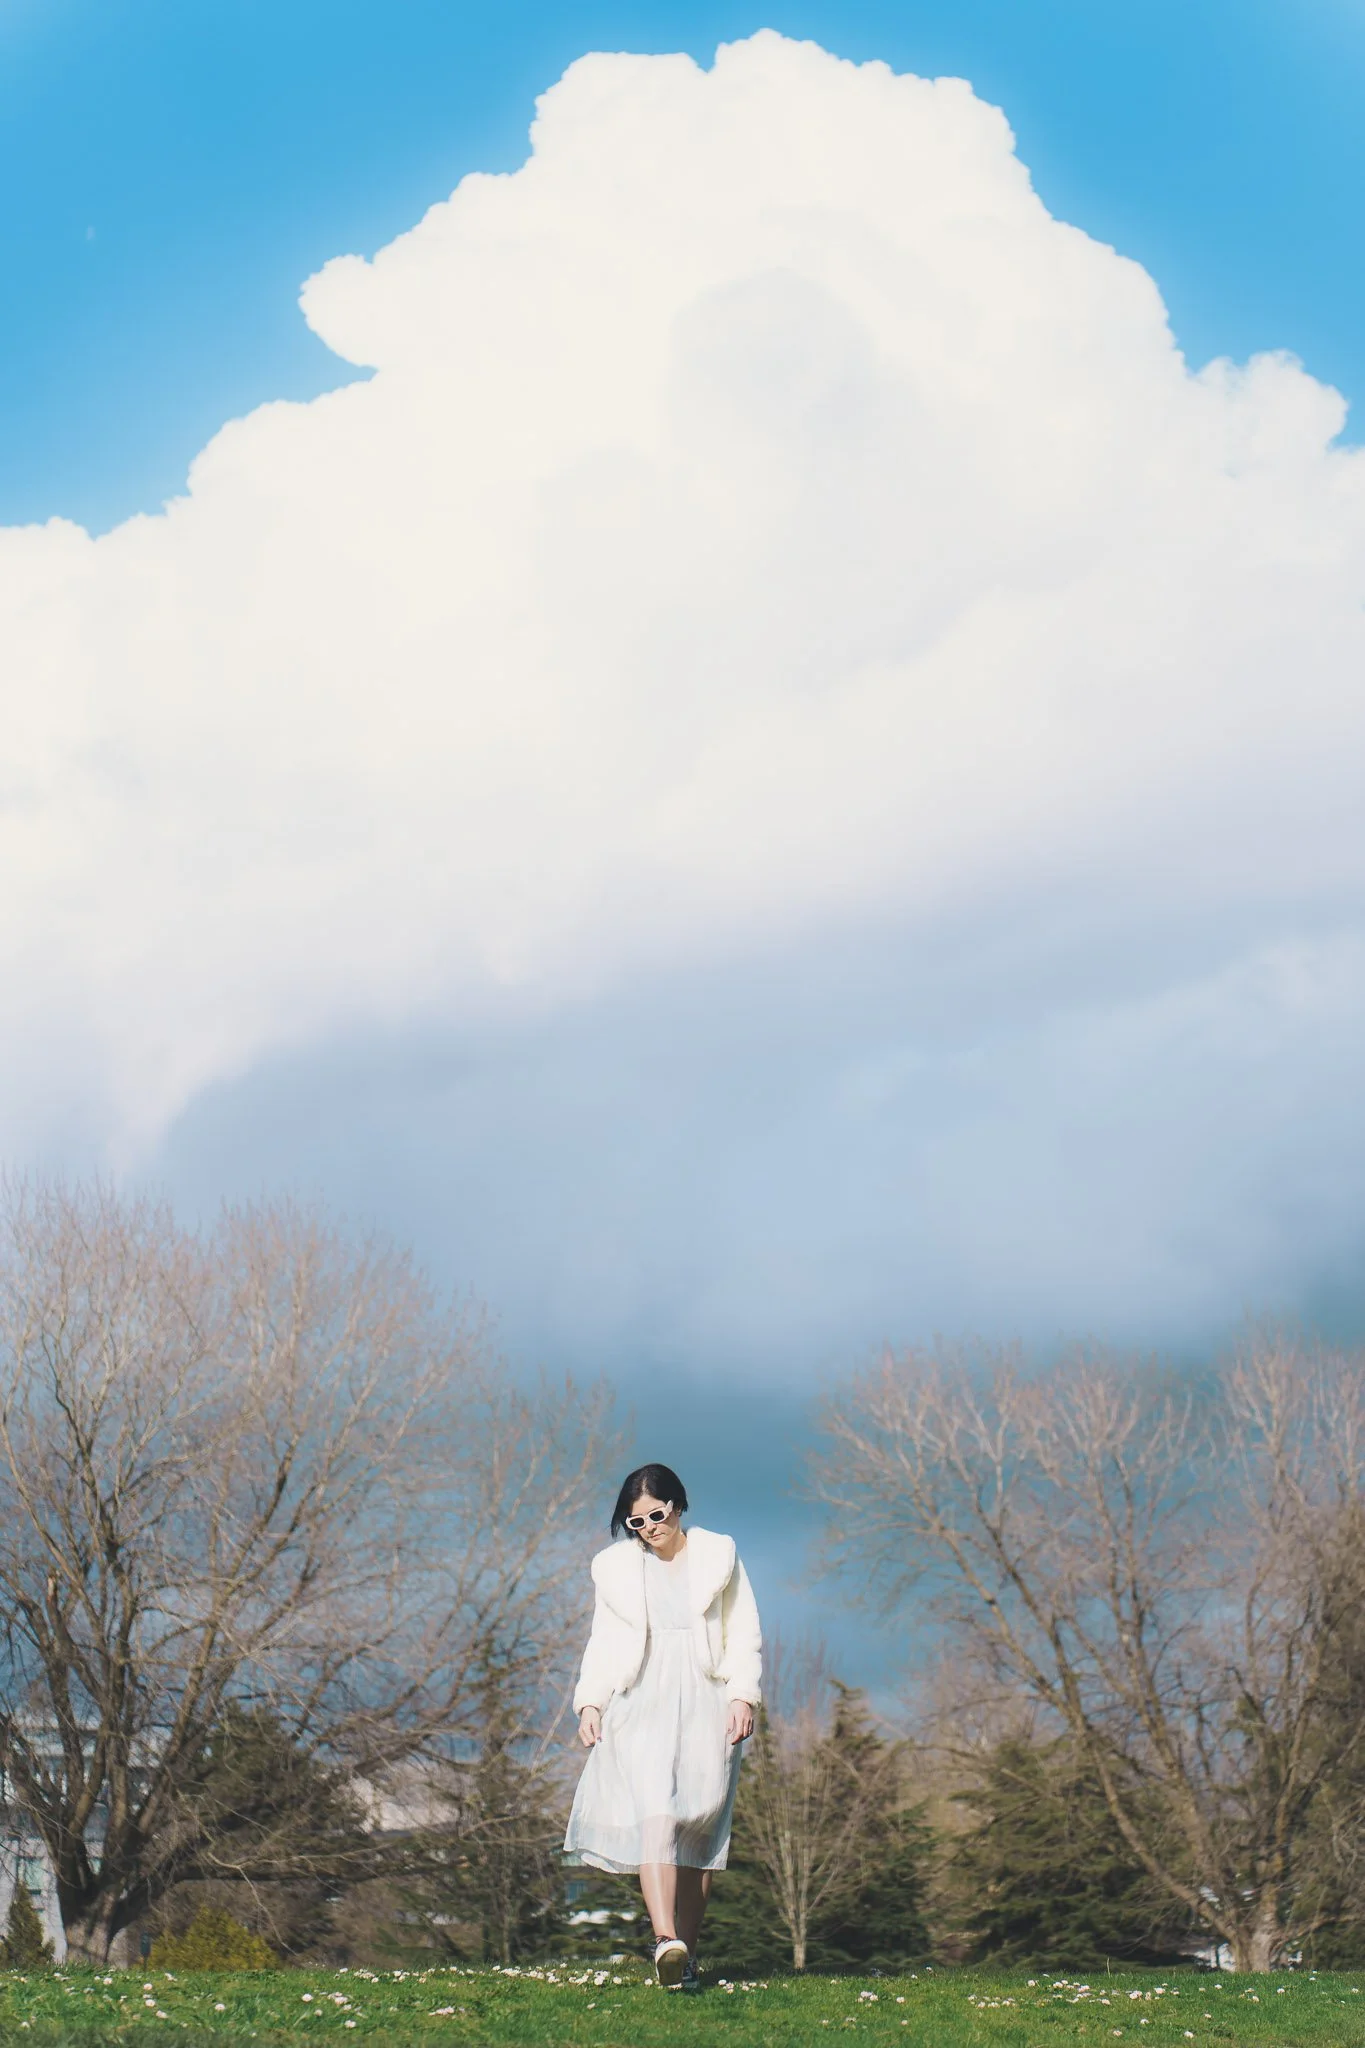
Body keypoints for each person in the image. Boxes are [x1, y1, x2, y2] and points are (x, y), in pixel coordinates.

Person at [563, 1462, 762, 1990]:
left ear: (677, 1506)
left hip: (705, 1698)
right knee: (656, 1814)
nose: (650, 1527)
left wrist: (743, 1696)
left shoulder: (719, 1556)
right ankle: (663, 1938)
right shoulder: (616, 1570)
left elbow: (743, 1632)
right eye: (637, 1521)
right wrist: (591, 1704)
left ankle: (684, 1960)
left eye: (656, 1514)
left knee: (697, 1827)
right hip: (641, 1700)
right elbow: (603, 1642)